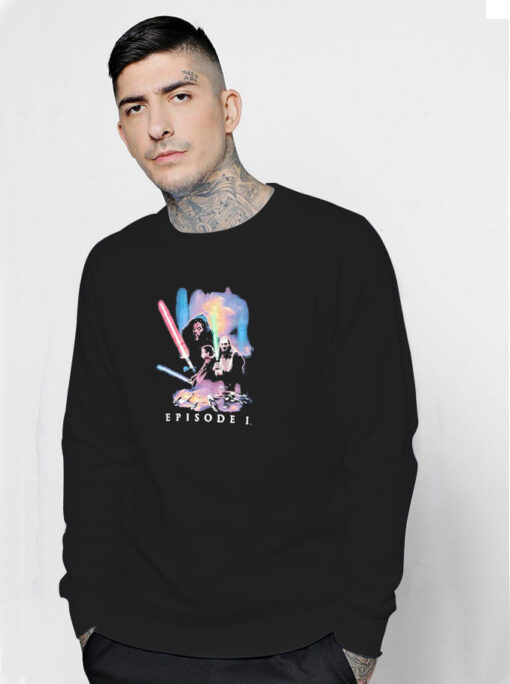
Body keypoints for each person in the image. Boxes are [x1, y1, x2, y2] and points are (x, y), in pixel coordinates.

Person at [58, 15, 419, 684]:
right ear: (121, 132)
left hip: (300, 646)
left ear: (228, 109)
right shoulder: (114, 268)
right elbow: (94, 450)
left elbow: (379, 452)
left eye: (180, 95)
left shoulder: (338, 250)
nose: (157, 125)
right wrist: (90, 617)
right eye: (135, 108)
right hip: (135, 642)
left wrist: (357, 639)